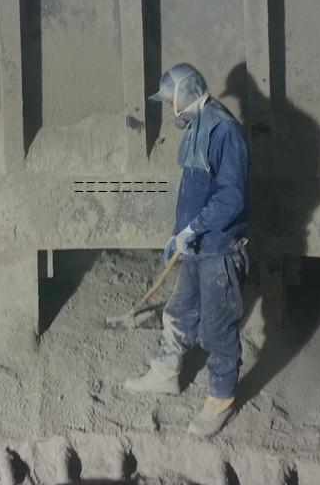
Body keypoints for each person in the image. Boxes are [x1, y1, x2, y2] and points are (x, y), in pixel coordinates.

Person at [125, 63, 250, 438]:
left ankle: (221, 400)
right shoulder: (198, 124)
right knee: (179, 311)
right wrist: (177, 235)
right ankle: (165, 374)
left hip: (219, 249)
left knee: (217, 329)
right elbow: (193, 191)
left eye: (170, 101)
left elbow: (231, 197)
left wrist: (193, 229)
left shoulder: (224, 131)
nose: (170, 107)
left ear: (186, 95)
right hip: (196, 244)